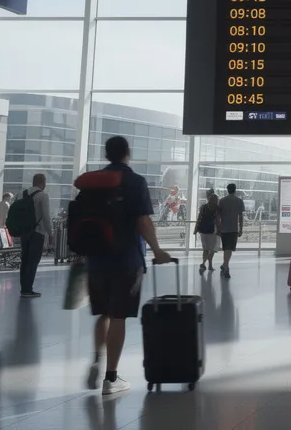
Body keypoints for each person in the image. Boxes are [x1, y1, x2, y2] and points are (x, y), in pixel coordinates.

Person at [80, 136, 172, 397]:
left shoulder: (92, 182)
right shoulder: (135, 181)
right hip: (126, 259)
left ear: (107, 153)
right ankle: (111, 377)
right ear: (127, 153)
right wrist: (157, 250)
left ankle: (97, 358)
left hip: (96, 259)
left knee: (103, 314)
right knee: (118, 316)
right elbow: (143, 221)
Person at [19, 173, 51, 298]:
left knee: (25, 260)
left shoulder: (22, 194)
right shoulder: (43, 195)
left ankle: (23, 289)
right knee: (33, 261)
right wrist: (50, 232)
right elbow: (46, 217)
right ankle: (28, 289)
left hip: (24, 232)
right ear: (43, 183)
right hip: (38, 232)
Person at [217, 183, 244, 279]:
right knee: (230, 249)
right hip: (233, 229)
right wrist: (241, 228)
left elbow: (218, 216)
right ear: (235, 190)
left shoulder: (222, 201)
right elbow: (240, 216)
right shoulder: (239, 201)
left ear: (227, 190)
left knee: (226, 249)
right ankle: (226, 267)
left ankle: (225, 266)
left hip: (224, 228)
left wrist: (218, 228)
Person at [194, 192, 220, 273]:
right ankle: (206, 264)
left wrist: (196, 228)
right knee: (211, 250)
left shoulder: (203, 207)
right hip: (212, 232)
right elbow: (218, 221)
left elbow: (199, 218)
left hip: (203, 231)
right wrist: (219, 231)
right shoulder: (217, 208)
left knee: (205, 249)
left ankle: (206, 264)